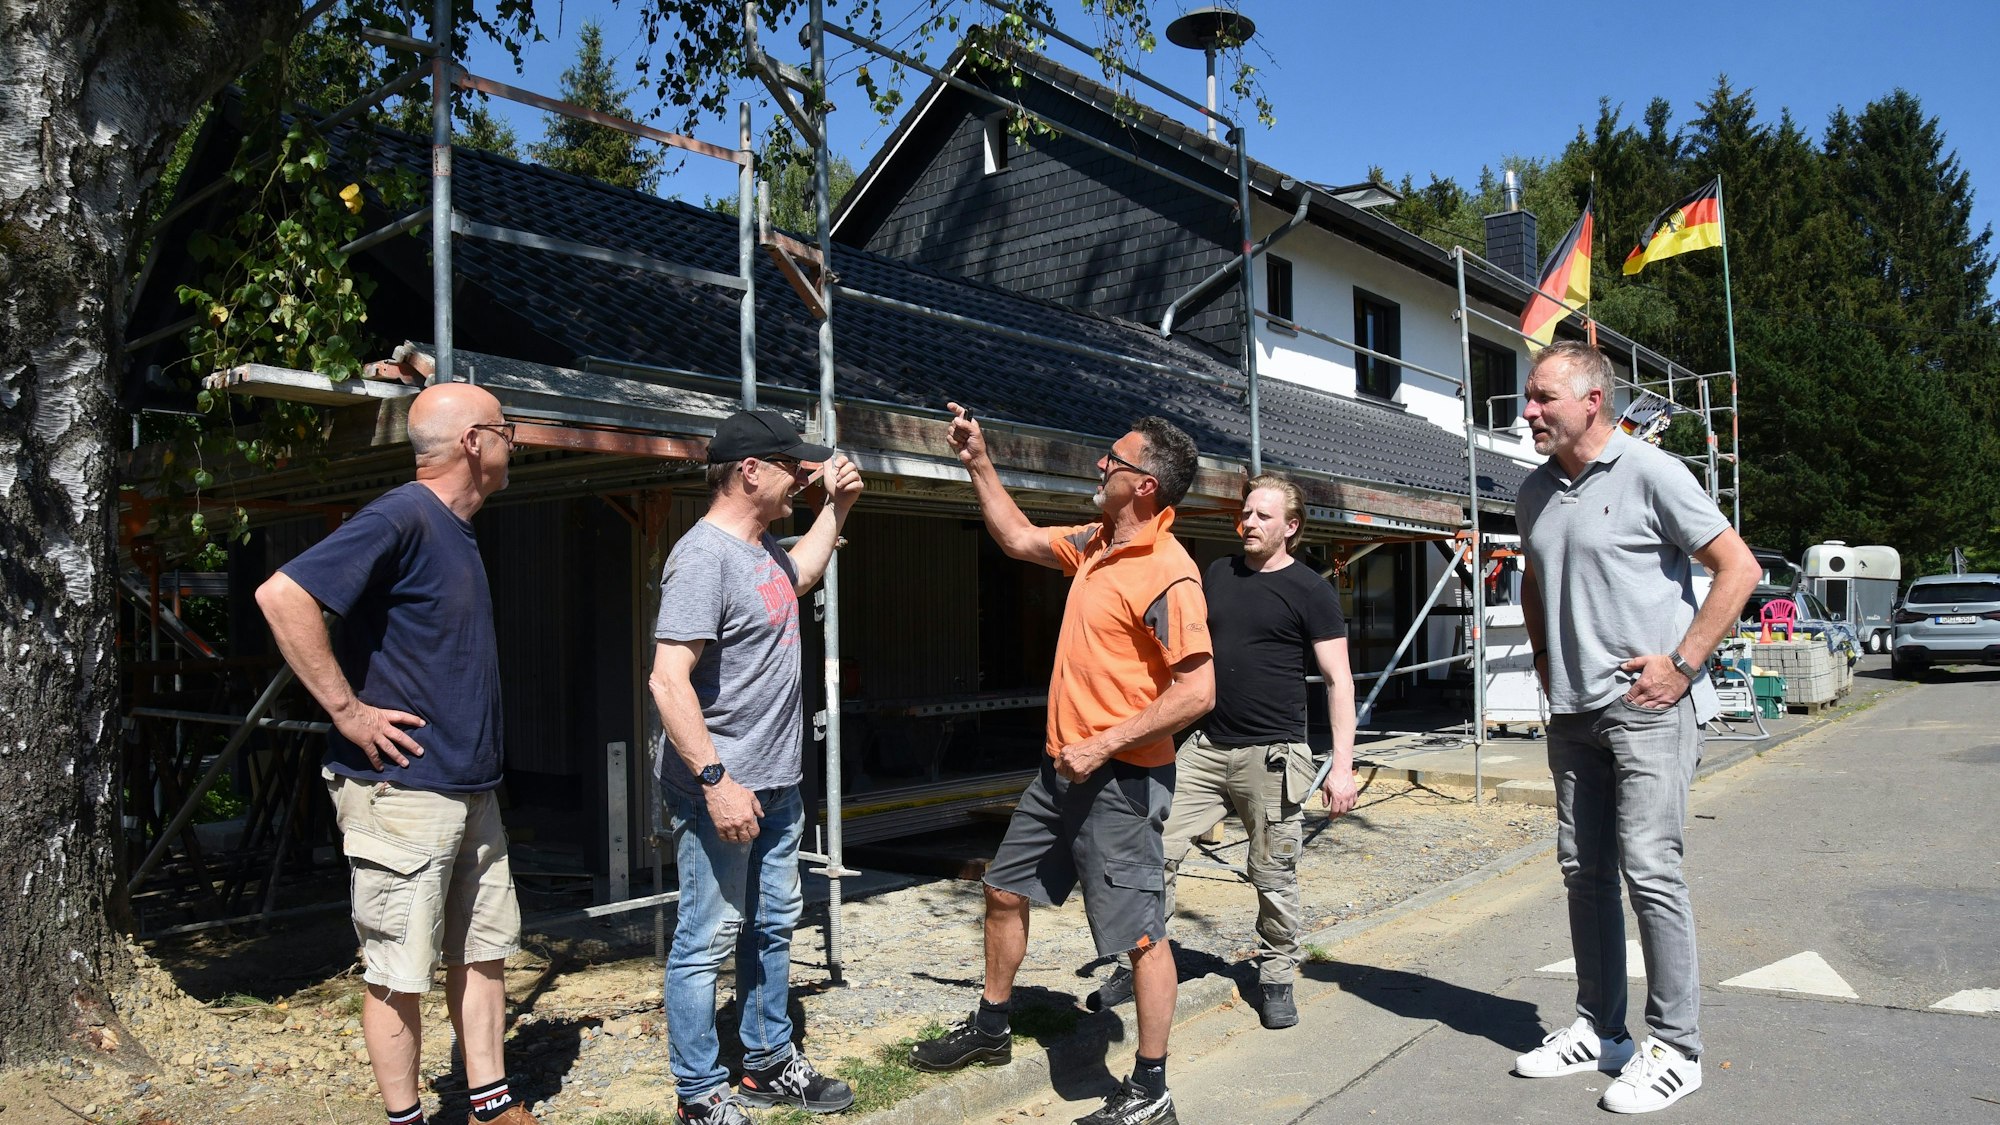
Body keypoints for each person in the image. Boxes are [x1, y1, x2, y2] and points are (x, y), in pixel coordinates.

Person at [909, 405, 1214, 1125]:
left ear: (1145, 485)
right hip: (1059, 773)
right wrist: (978, 460)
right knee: (1005, 890)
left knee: (1138, 935)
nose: (1100, 466)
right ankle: (991, 1026)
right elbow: (1015, 537)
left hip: (1122, 782)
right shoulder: (1098, 543)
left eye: (1113, 460)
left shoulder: (1169, 573)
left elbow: (1198, 688)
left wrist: (1106, 742)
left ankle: (1151, 1089)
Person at [256, 383, 535, 1125]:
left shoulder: (452, 527)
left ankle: (491, 1105)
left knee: (482, 951)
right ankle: (406, 1118)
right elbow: (282, 596)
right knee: (398, 969)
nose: (516, 442)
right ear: (475, 442)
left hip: (468, 786)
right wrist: (348, 711)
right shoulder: (402, 514)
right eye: (506, 429)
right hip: (403, 791)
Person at [1511, 341, 1758, 1115]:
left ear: (1592, 401)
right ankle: (1600, 1028)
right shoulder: (1533, 492)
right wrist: (1548, 657)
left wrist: (1682, 665)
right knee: (1583, 870)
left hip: (1649, 707)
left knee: (1649, 868)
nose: (1528, 410)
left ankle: (1676, 1046)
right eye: (1528, 396)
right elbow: (1532, 575)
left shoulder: (1652, 472)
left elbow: (1739, 568)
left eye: (1542, 396)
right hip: (1574, 711)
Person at [648, 409, 863, 1124]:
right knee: (705, 938)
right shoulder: (702, 556)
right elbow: (667, 680)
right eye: (790, 463)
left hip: (776, 784)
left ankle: (767, 1062)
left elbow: (798, 576)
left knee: (772, 923)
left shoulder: (762, 548)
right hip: (725, 790)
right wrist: (715, 783)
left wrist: (838, 508)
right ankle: (699, 1092)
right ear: (749, 470)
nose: (802, 474)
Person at [1149, 475, 1358, 1031]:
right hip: (1207, 747)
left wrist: (1342, 767)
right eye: (1246, 513)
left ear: (1290, 527)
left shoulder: (1312, 590)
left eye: (1264, 516)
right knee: (1152, 850)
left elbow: (1339, 680)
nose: (1249, 523)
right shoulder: (1218, 572)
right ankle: (1148, 962)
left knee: (1273, 874)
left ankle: (1276, 975)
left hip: (1272, 757)